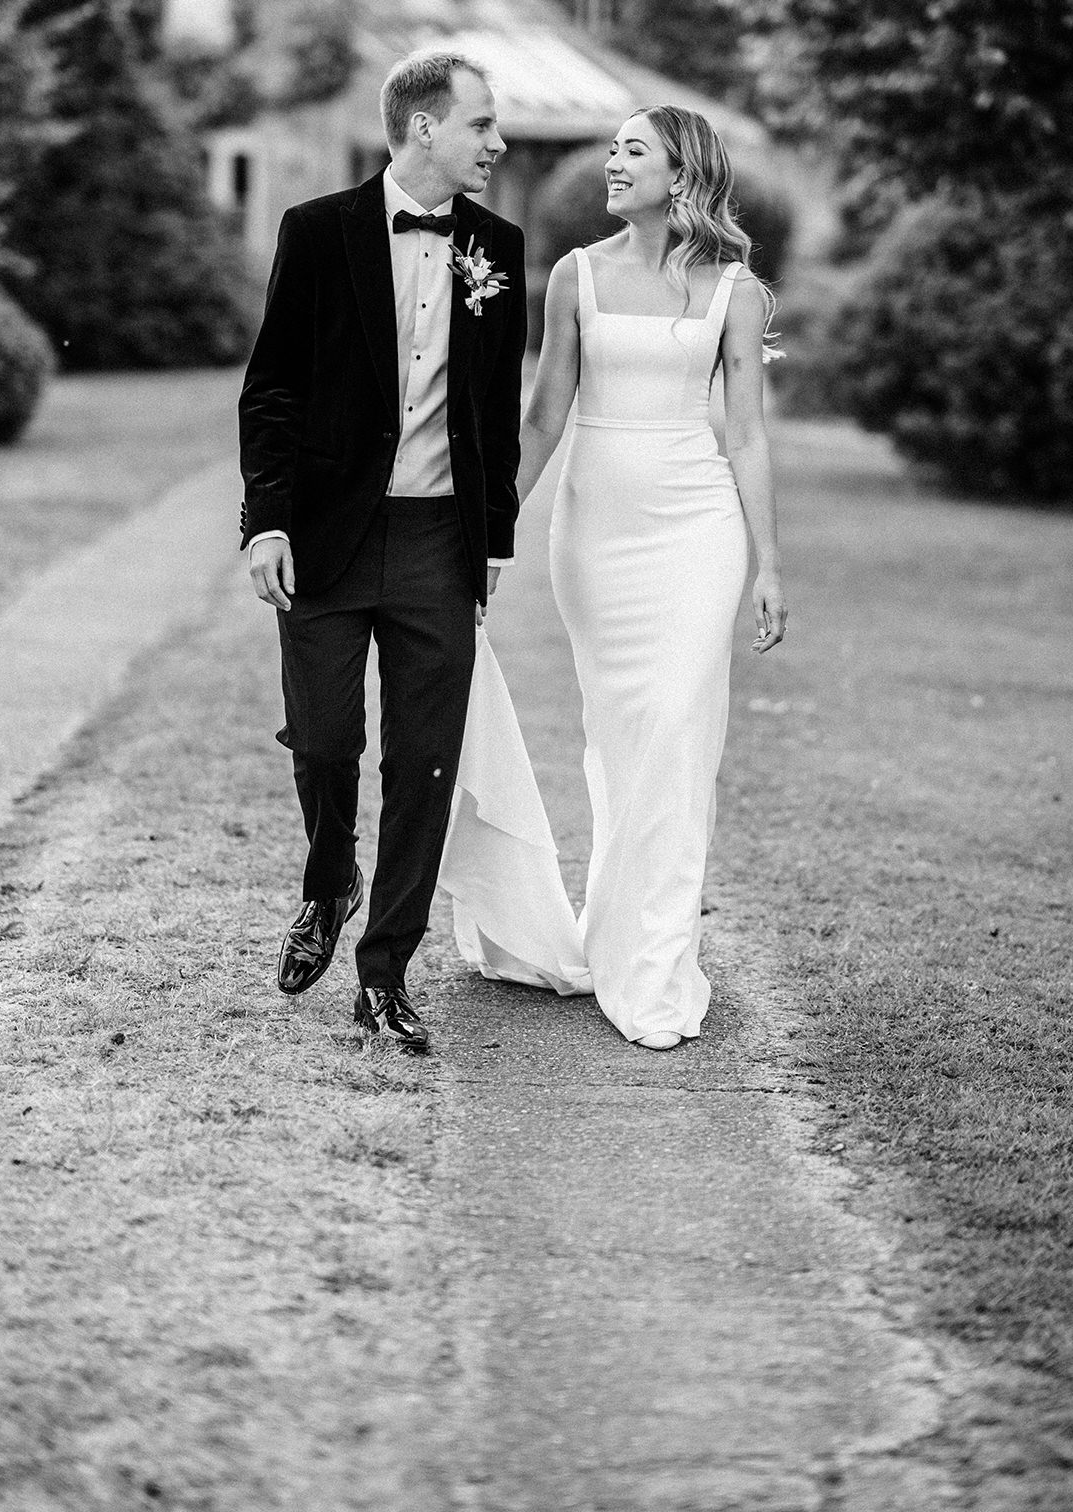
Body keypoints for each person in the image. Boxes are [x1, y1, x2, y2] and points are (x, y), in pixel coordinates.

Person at [238, 51, 527, 1053]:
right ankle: (330, 876)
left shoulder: (499, 246)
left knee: (427, 759)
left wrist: (492, 539)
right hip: (324, 528)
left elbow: (494, 409)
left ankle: (385, 968)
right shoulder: (317, 232)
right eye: (481, 124)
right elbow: (271, 385)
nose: (496, 142)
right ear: (420, 131)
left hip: (437, 541)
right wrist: (265, 520)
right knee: (322, 740)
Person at [513, 106, 787, 1049]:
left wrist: (766, 561)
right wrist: (492, 521)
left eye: (633, 150)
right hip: (594, 531)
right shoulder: (573, 275)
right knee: (618, 740)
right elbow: (545, 415)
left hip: (695, 527)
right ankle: (613, 931)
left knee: (676, 732)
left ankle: (658, 960)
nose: (611, 164)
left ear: (680, 175)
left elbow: (745, 432)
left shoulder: (733, 291)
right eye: (614, 148)